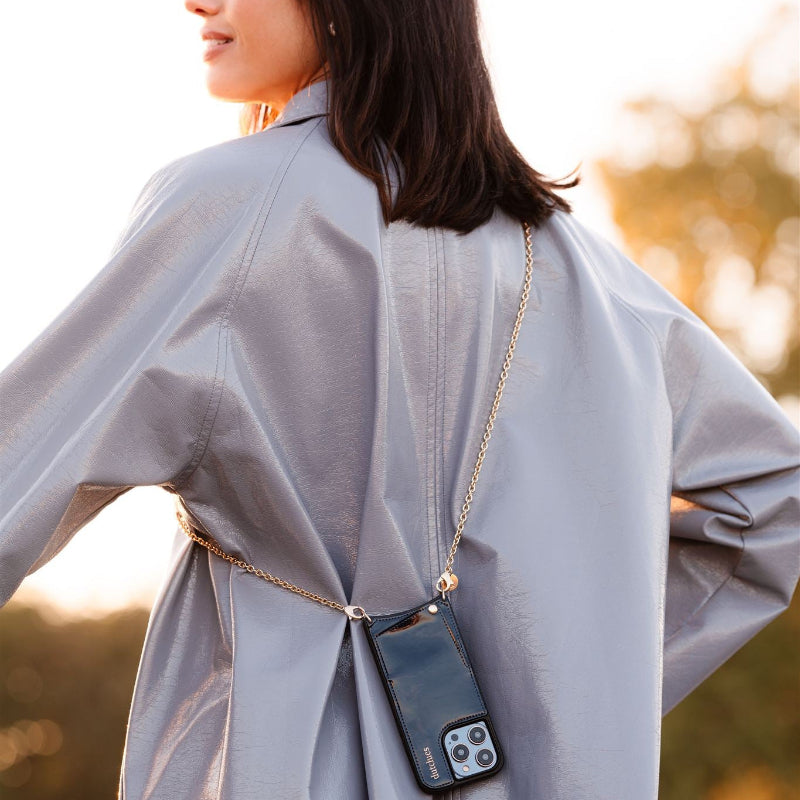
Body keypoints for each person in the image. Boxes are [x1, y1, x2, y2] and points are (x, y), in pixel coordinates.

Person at [1, 0, 798, 797]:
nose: (197, 0)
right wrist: (560, 694)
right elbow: (773, 500)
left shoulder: (225, 209)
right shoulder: (576, 264)